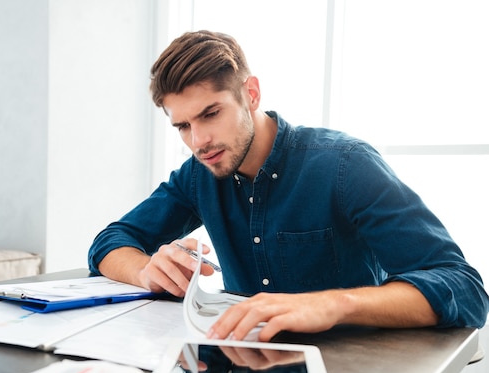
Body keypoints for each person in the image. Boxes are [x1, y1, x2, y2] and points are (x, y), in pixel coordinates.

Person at [88, 30, 488, 341]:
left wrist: (332, 304)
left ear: (251, 94)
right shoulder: (199, 174)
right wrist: (145, 271)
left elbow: (464, 288)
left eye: (211, 114)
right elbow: (110, 241)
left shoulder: (346, 165)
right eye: (183, 126)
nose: (198, 141)